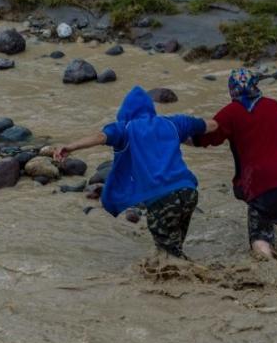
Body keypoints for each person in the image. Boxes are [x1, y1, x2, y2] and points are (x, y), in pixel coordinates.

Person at [54, 85, 217, 259]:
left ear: (125, 111)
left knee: (168, 255)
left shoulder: (125, 129)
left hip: (162, 199)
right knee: (174, 247)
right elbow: (212, 125)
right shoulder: (173, 123)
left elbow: (100, 137)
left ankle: (202, 278)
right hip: (188, 192)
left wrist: (70, 146)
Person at [192, 68, 277, 260]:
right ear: (255, 85)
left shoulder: (231, 112)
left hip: (261, 178)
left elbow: (205, 137)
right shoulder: (274, 105)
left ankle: (271, 268)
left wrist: (174, 135)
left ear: (231, 90)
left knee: (259, 233)